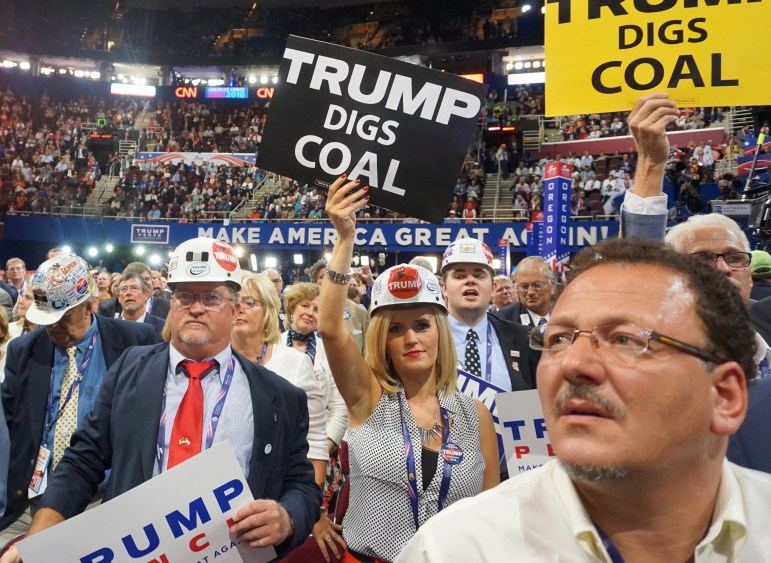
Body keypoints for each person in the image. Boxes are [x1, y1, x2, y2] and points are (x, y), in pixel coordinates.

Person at [398, 237, 771, 562]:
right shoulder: (455, 549)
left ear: (724, 396)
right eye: (559, 339)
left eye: (625, 339)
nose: (573, 364)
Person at [0, 238, 320, 562]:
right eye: (185, 296)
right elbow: (84, 460)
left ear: (235, 309)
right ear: (173, 303)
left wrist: (288, 517)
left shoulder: (279, 396)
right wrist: (38, 540)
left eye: (211, 297)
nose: (196, 307)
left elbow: (303, 486)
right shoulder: (129, 368)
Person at [318, 176, 499, 562]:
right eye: (396, 329)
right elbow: (330, 328)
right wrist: (345, 240)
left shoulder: (475, 415)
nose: (411, 338)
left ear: (441, 332)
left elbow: (488, 513)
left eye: (422, 325)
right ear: (382, 339)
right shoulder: (367, 397)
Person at [0, 254, 157, 543]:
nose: (52, 326)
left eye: (62, 317)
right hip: (33, 499)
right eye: (47, 318)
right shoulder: (22, 351)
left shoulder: (138, 341)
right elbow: (11, 427)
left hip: (107, 499)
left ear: (89, 305)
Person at [230, 271, 328, 487]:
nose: (239, 308)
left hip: (278, 489)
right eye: (234, 301)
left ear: (268, 311)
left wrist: (312, 507)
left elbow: (314, 441)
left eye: (249, 302)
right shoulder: (211, 363)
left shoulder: (295, 363)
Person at [281, 282, 349, 560]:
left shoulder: (329, 351)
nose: (310, 313)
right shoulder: (271, 344)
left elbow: (341, 405)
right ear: (292, 308)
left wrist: (326, 443)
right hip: (280, 452)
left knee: (317, 531)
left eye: (317, 309)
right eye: (305, 305)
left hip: (321, 454)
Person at [441, 237, 538, 391]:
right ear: (444, 288)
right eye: (459, 276)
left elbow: (531, 403)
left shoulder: (522, 338)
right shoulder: (426, 339)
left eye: (479, 275)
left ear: (493, 288)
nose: (470, 281)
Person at [97, 262, 171, 320]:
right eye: (139, 281)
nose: (144, 284)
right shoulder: (106, 307)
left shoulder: (168, 307)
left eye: (147, 279)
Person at [495, 256, 554, 326]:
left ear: (551, 284)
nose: (530, 292)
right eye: (524, 286)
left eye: (537, 285)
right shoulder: (504, 319)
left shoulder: (566, 314)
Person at [116, 272, 165, 340]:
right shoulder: (109, 328)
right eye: (124, 289)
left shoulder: (162, 327)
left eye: (134, 288)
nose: (128, 293)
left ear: (146, 294)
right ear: (119, 297)